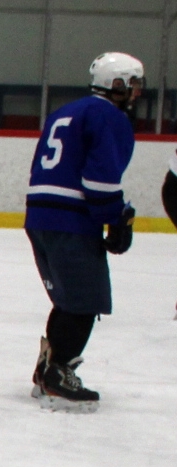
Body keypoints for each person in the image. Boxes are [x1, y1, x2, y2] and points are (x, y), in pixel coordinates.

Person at [24, 51, 141, 410]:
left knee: (69, 299)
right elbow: (98, 180)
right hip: (71, 220)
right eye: (133, 84)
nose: (137, 92)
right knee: (85, 301)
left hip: (40, 217)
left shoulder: (65, 111)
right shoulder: (110, 117)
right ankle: (58, 374)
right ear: (116, 84)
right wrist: (116, 216)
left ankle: (47, 371)